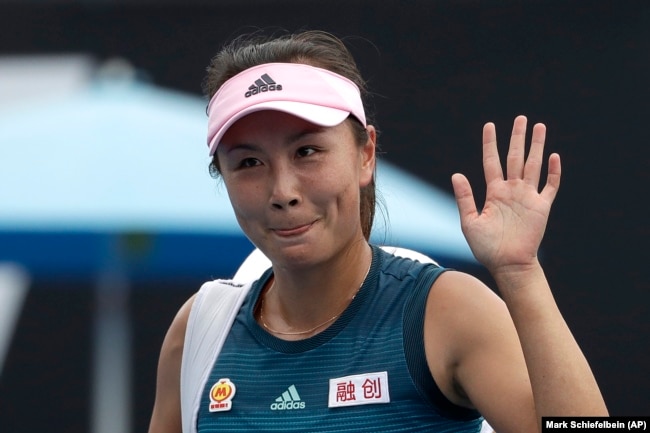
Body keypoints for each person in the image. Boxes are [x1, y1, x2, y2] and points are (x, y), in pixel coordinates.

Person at [148, 30, 607, 433]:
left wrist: (520, 273)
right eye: (249, 163)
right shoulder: (200, 331)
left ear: (366, 154)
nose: (282, 191)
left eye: (307, 151)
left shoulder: (442, 311)